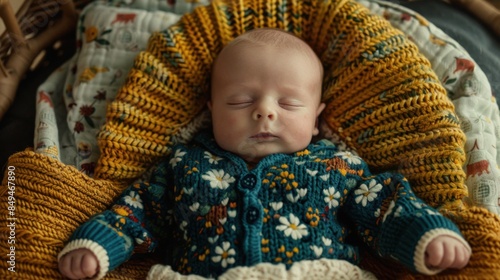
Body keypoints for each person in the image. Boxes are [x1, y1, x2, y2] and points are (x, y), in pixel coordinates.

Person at [58, 28, 471, 279]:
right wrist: (96, 247)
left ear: (315, 120)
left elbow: (384, 207)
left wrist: (426, 231)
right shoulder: (184, 166)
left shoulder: (336, 166)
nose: (265, 111)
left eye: (289, 105)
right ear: (211, 111)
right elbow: (137, 212)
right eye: (240, 101)